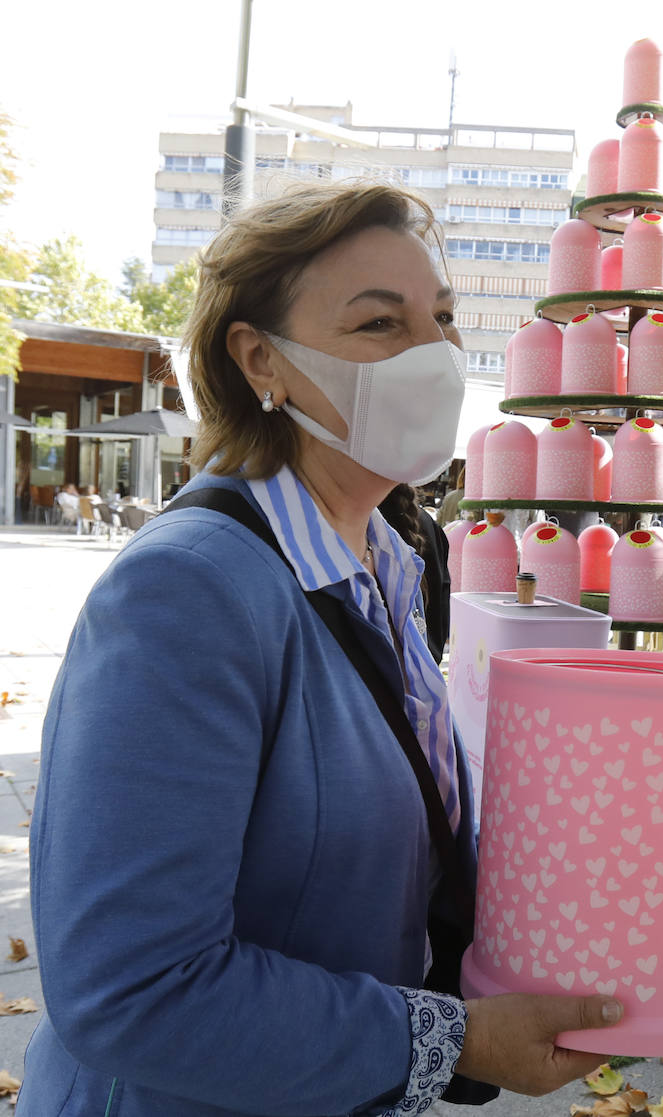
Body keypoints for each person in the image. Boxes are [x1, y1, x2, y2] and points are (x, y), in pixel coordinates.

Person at [22, 182, 621, 1117]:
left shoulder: (387, 556)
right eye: (380, 324)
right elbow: (131, 987)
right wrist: (456, 1039)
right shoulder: (186, 593)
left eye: (444, 319)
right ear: (262, 359)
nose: (432, 353)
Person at [380, 482, 452, 665]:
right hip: (427, 654)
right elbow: (443, 591)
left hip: (390, 662)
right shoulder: (428, 522)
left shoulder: (370, 524)